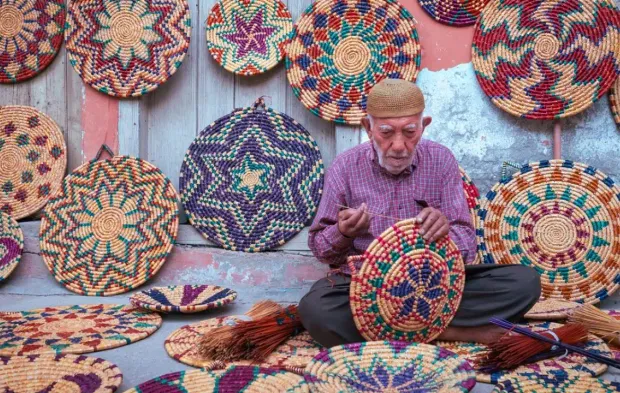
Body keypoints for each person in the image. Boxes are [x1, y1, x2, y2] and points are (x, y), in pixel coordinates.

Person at [298, 79, 541, 348]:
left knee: (524, 282)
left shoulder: (441, 160)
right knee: (316, 310)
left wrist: (444, 231)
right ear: (368, 128)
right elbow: (322, 250)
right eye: (387, 132)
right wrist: (343, 232)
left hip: (434, 284)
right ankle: (451, 331)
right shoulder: (345, 166)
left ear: (423, 126)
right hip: (366, 288)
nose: (399, 145)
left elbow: (467, 245)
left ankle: (394, 329)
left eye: (410, 132)